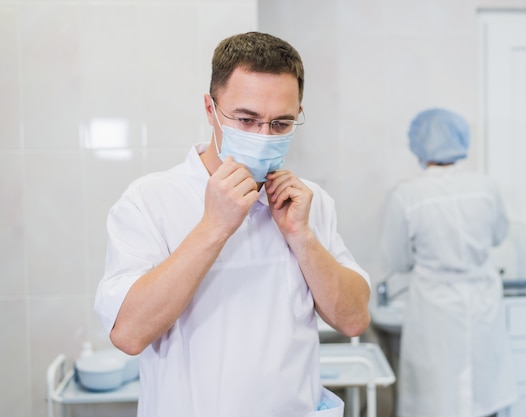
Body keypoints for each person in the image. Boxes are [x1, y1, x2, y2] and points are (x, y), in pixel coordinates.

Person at [95, 31, 371, 417]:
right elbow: (128, 334)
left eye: (281, 124)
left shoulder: (307, 202)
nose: (263, 136)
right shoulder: (150, 200)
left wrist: (301, 236)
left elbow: (354, 318)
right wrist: (214, 226)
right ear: (210, 109)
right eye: (246, 119)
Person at [380, 108, 518, 417]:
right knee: (483, 394)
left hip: (434, 308)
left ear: (418, 145)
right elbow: (498, 235)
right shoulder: (485, 187)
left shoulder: (407, 195)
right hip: (482, 302)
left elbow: (397, 261)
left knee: (436, 400)